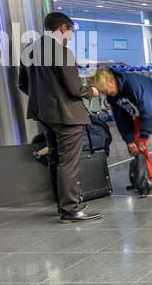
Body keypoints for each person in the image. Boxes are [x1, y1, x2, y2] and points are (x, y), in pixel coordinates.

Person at [18, 12, 101, 223]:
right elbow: (74, 88)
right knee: (69, 162)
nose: (71, 37)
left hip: (44, 114)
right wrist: (90, 91)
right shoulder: (61, 51)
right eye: (71, 31)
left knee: (56, 158)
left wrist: (45, 100)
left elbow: (23, 85)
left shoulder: (29, 50)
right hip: (67, 115)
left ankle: (62, 204)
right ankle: (71, 208)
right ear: (63, 28)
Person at [92, 66, 152, 194]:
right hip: (144, 111)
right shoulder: (112, 96)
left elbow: (150, 113)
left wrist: (144, 137)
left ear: (111, 82)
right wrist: (129, 141)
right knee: (136, 142)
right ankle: (149, 179)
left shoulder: (134, 85)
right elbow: (121, 119)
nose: (105, 94)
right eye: (102, 92)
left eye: (105, 90)